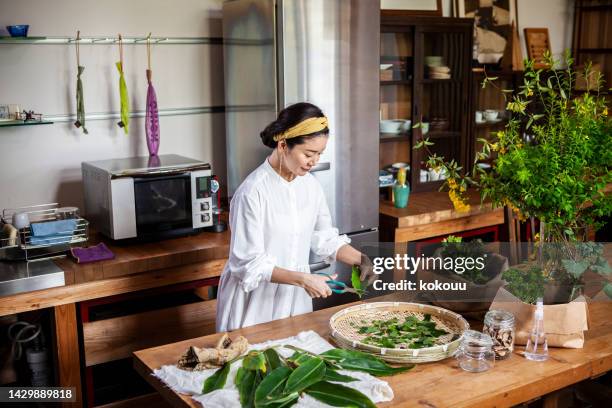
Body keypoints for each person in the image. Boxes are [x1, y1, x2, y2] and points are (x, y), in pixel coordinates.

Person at [216, 102, 372, 332]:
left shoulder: (310, 186)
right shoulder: (252, 192)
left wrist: (362, 259)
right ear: (282, 145)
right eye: (308, 154)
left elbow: (324, 238)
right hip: (254, 303)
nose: (314, 161)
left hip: (295, 300)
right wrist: (304, 279)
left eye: (319, 154)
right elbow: (248, 265)